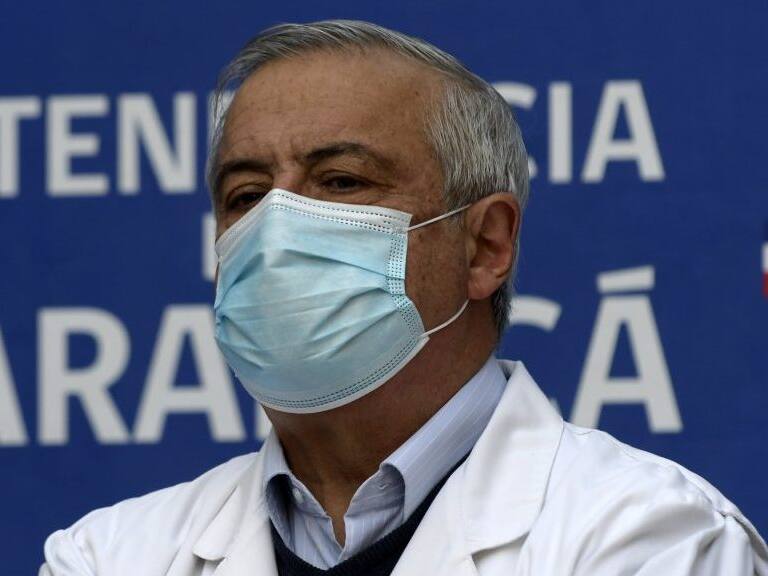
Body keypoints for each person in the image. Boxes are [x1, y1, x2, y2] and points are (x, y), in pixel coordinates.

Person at [40, 20, 767, 576]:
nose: (277, 231)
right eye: (247, 196)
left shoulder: (650, 537)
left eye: (342, 183)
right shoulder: (108, 555)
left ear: (486, 247)